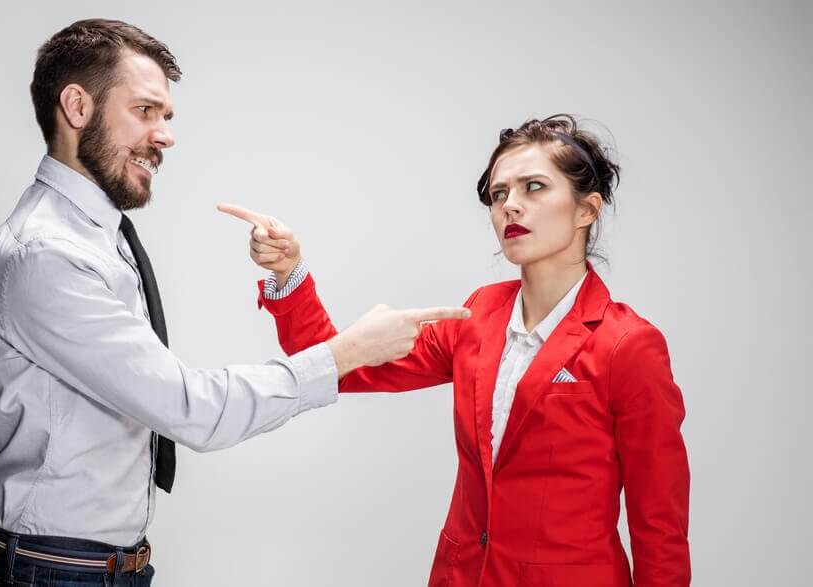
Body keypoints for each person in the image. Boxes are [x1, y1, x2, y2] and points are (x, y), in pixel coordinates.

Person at [0, 18, 470, 587]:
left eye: (166, 117)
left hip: (95, 565)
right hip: (50, 571)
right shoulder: (47, 256)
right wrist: (347, 351)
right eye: (145, 111)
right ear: (77, 106)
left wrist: (288, 274)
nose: (166, 135)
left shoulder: (96, 233)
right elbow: (189, 408)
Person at [221, 114, 691, 586]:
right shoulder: (478, 316)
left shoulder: (628, 345)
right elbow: (340, 364)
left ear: (586, 209)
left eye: (534, 187)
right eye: (499, 194)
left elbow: (659, 524)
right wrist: (289, 273)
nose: (511, 206)